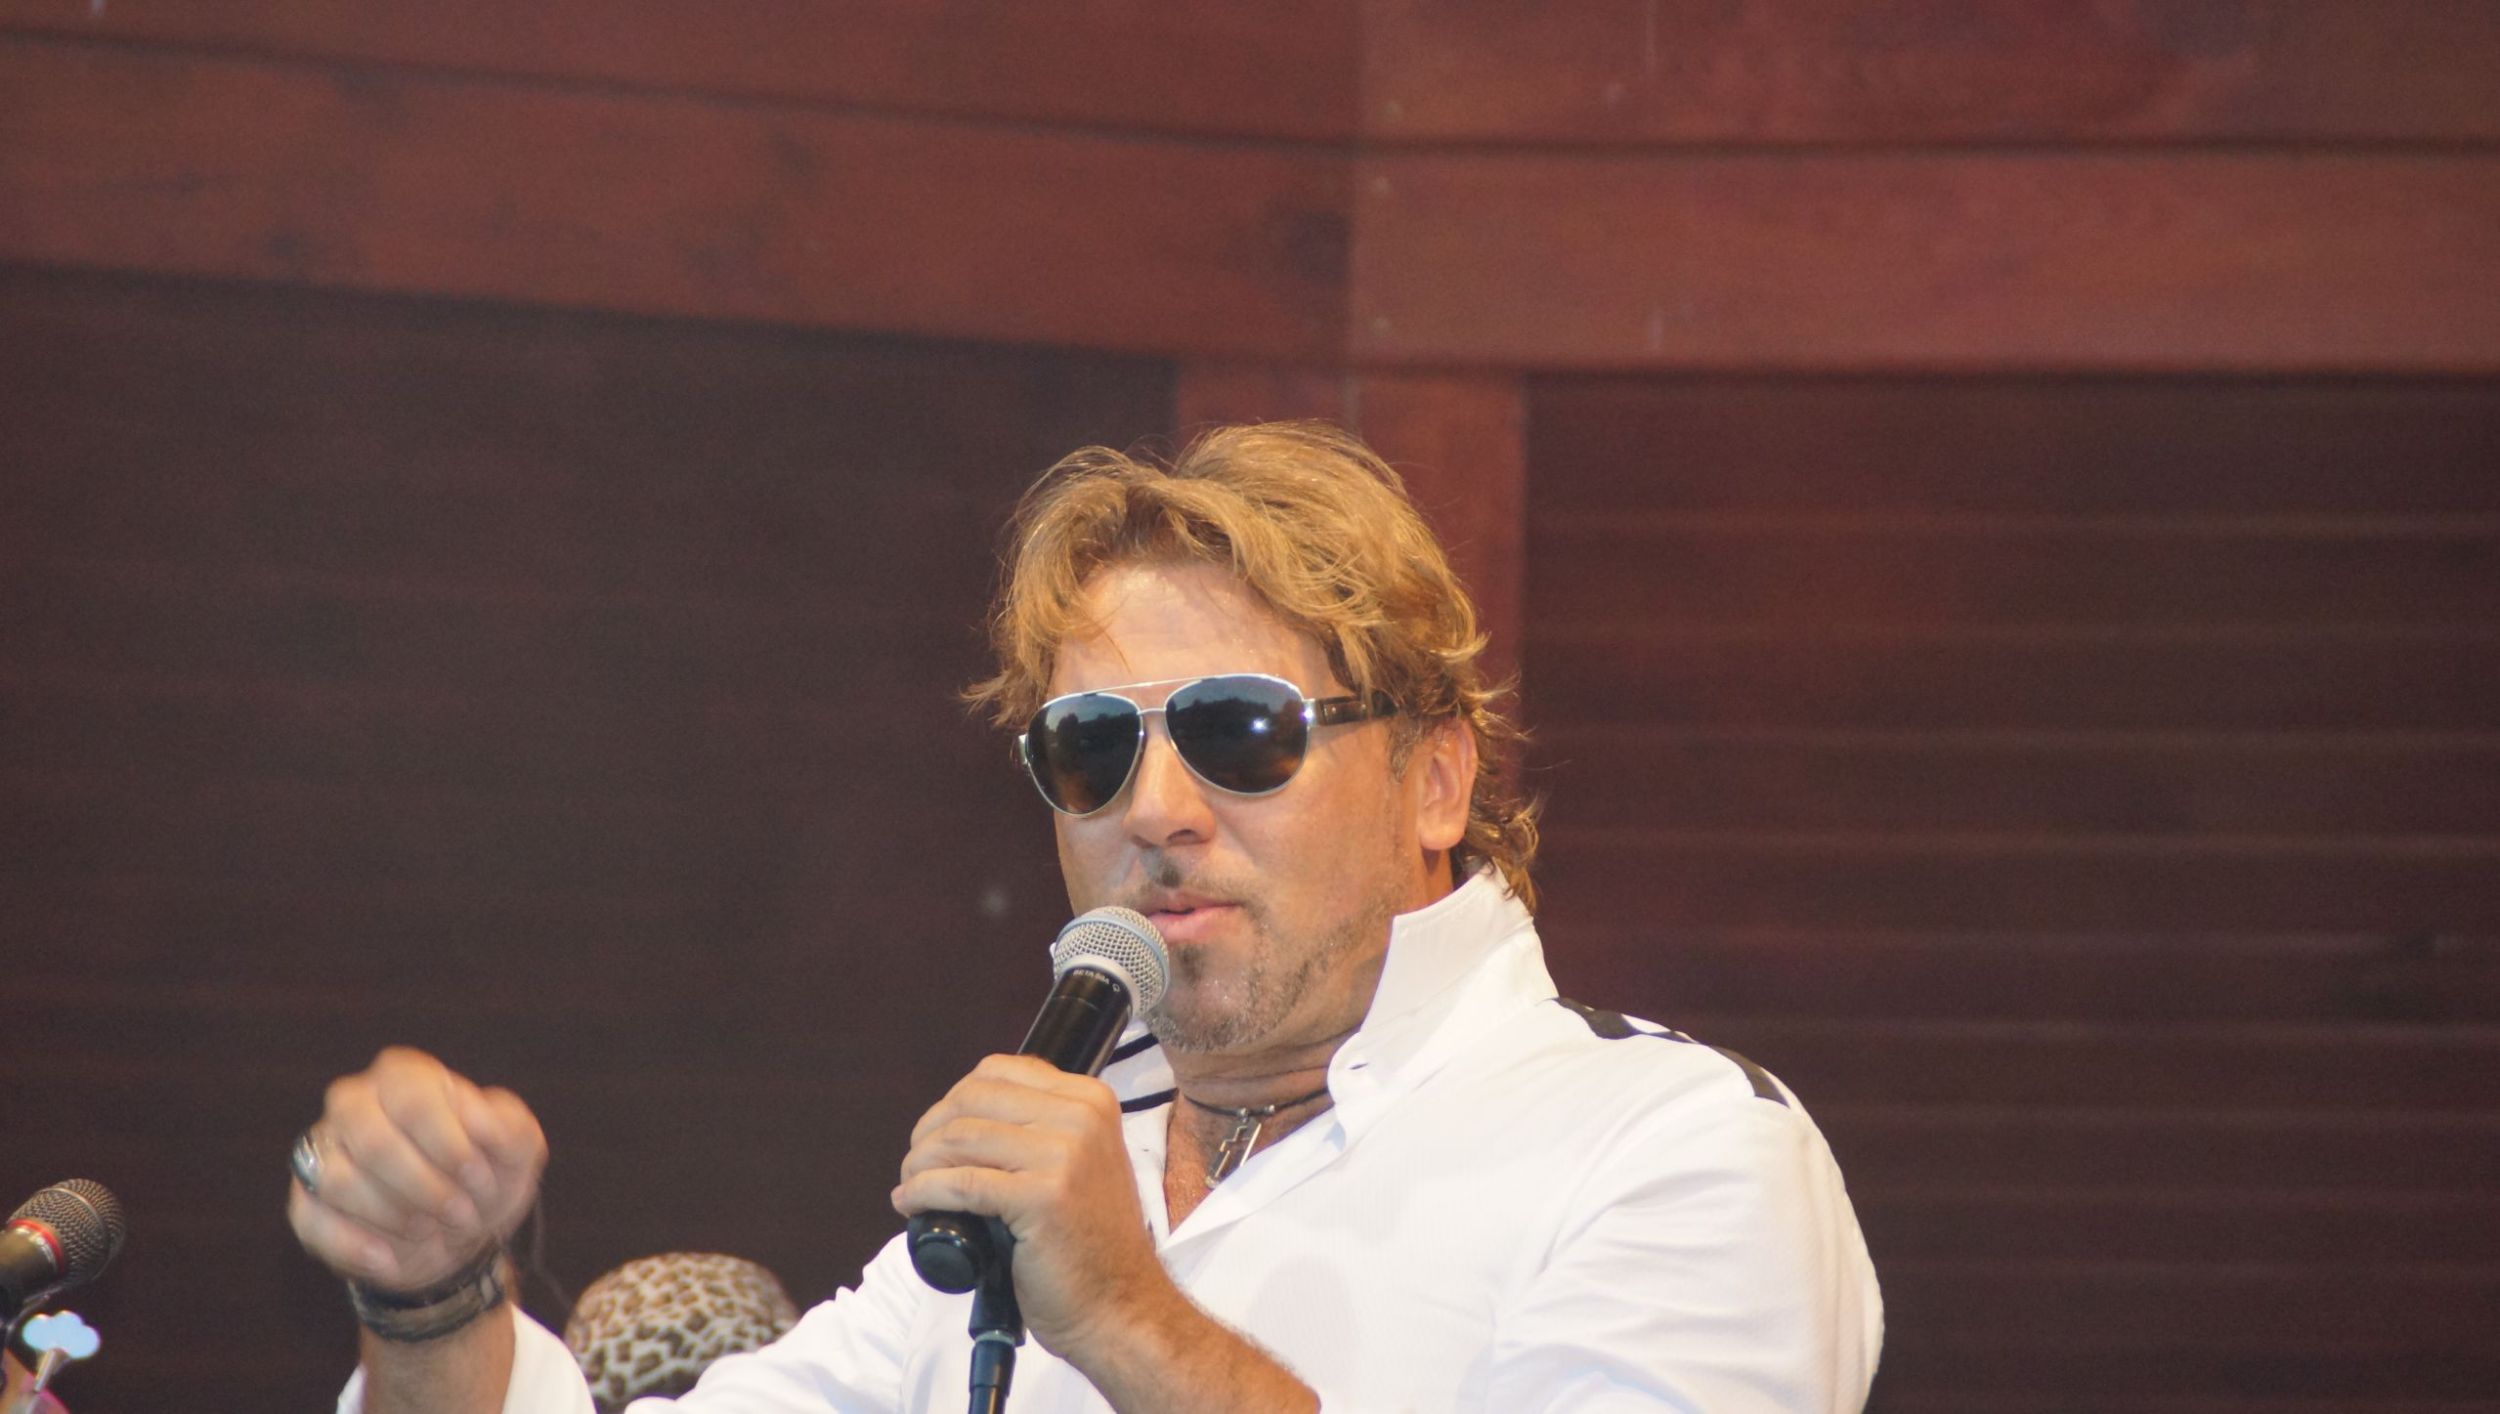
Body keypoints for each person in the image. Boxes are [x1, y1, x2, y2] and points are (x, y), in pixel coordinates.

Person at [288, 423, 1883, 1413]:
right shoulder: (1045, 1179)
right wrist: (431, 1303)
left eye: (1243, 731)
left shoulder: (1670, 1148)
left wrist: (1127, 1317)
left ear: (1435, 779)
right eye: (1093, 746)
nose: (1156, 807)